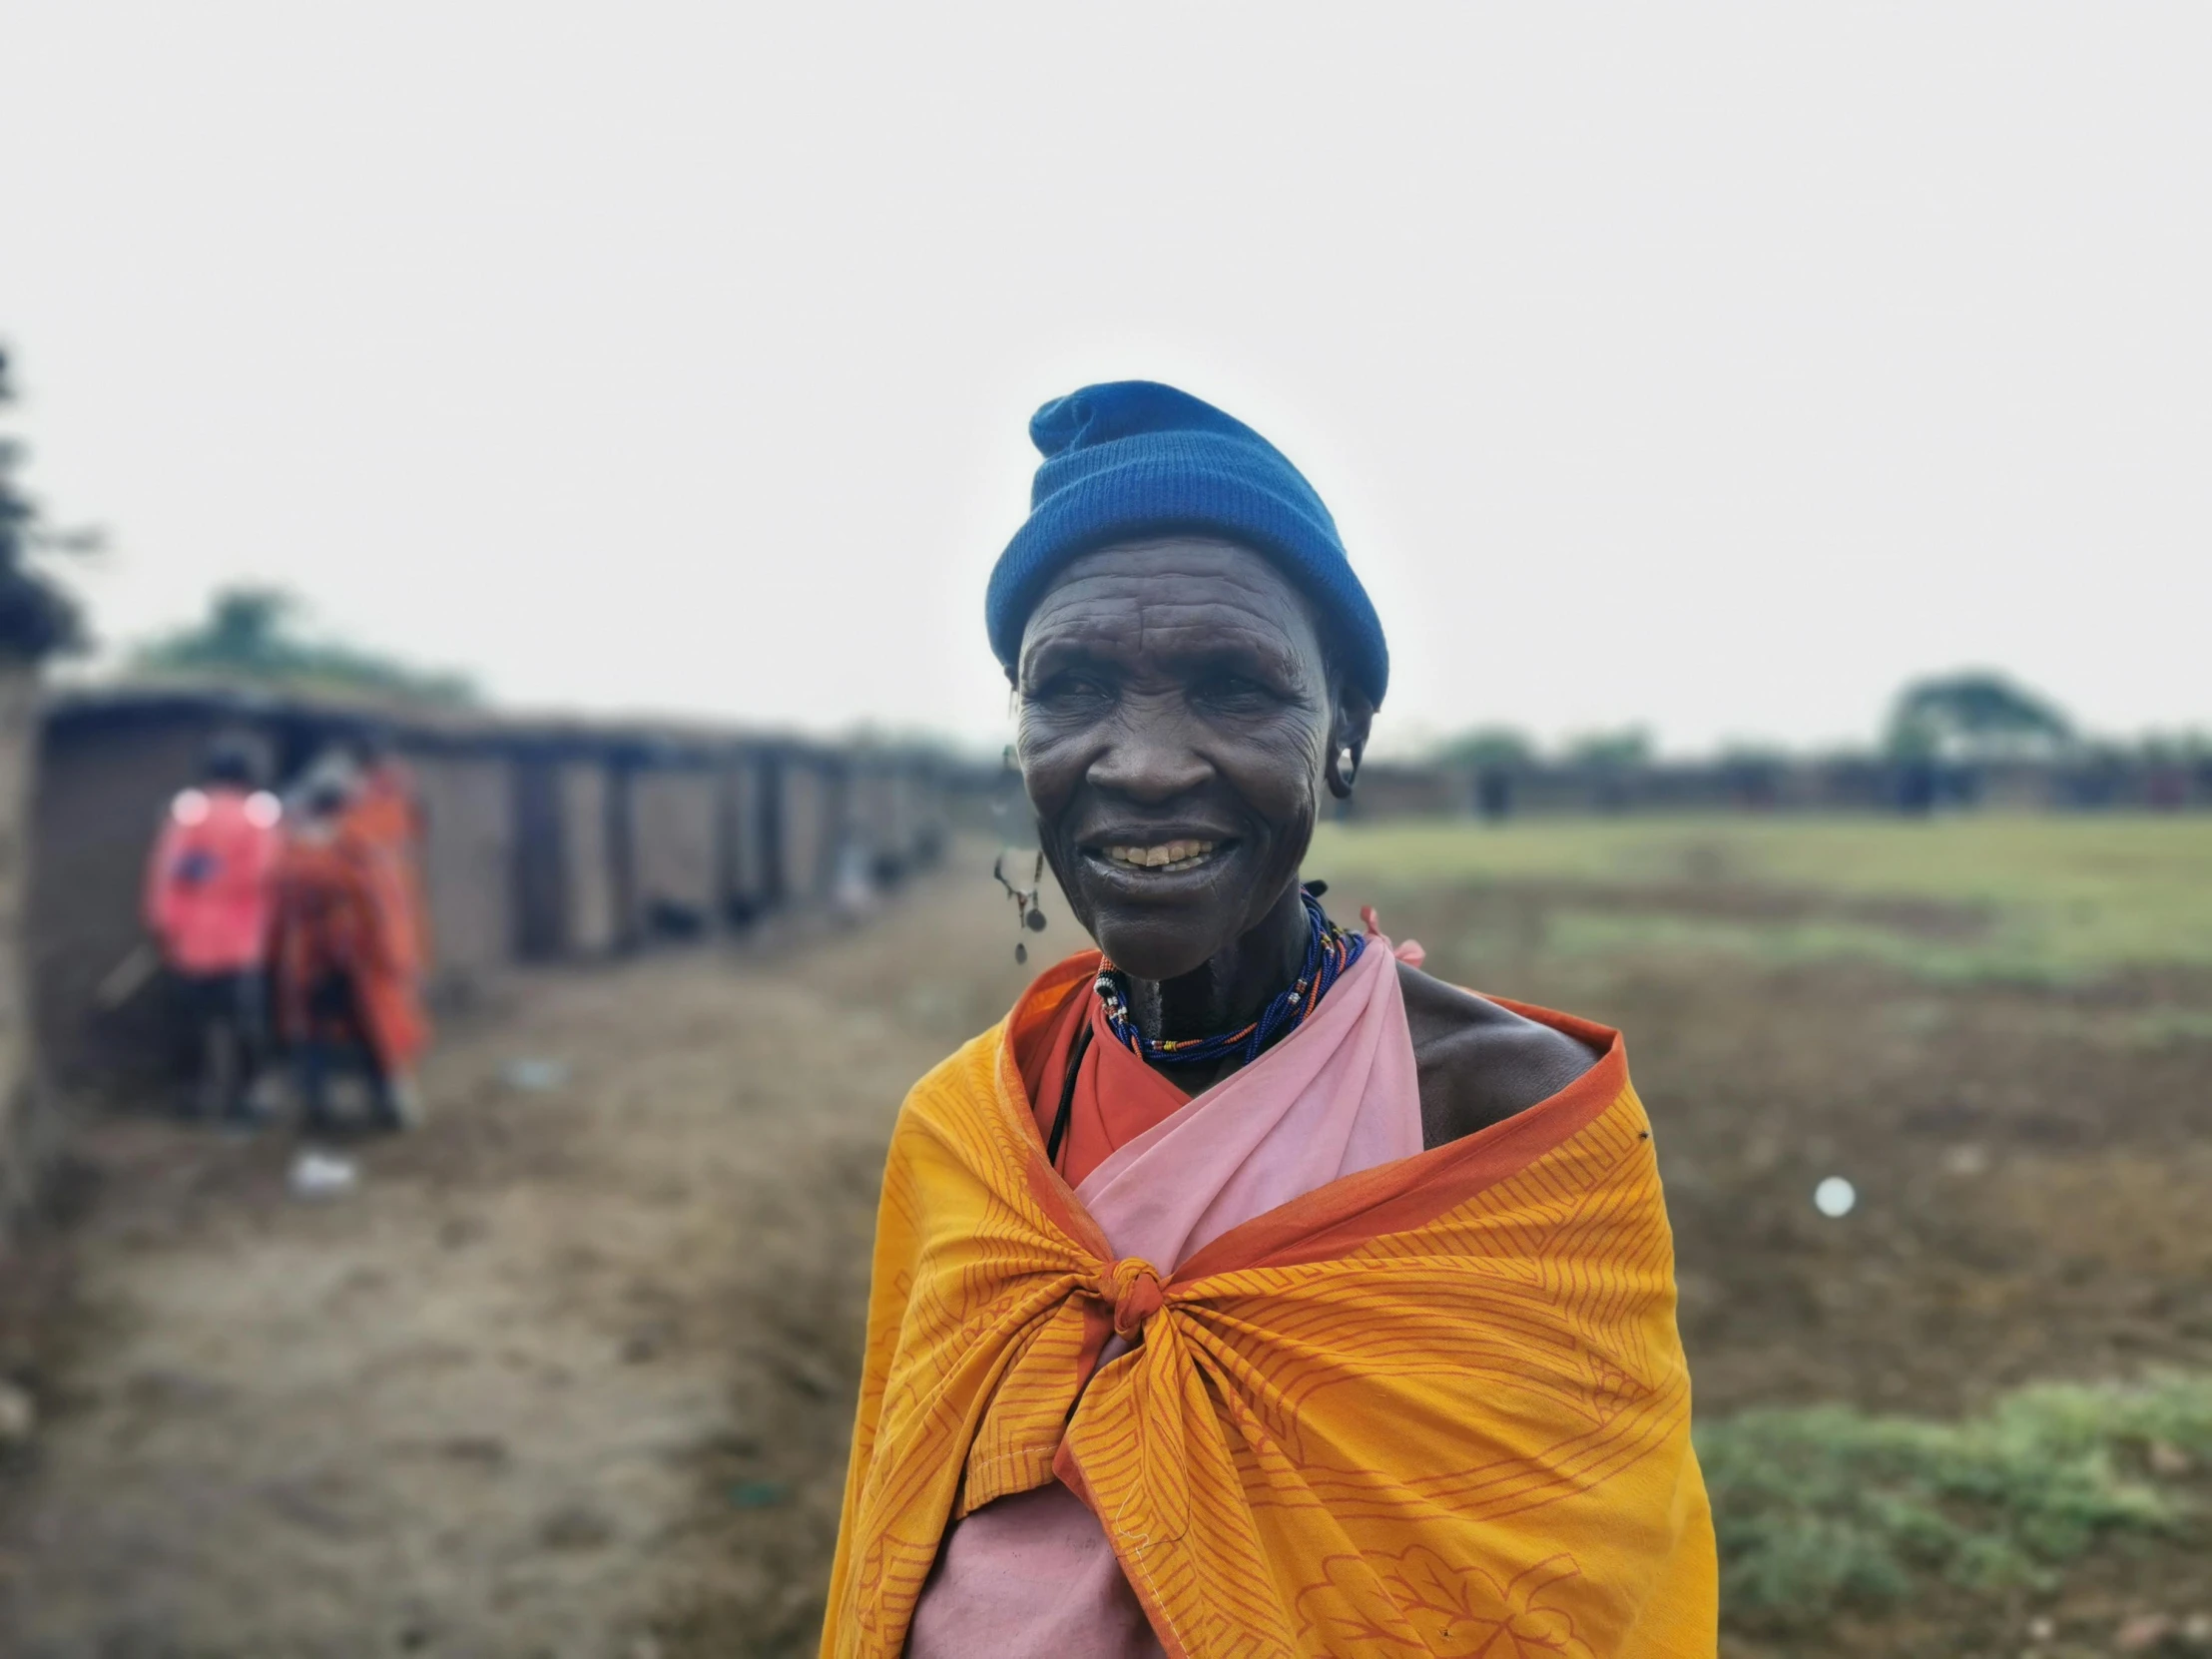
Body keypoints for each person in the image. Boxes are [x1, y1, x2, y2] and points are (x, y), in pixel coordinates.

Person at [823, 382, 1716, 1657]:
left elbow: (1566, 1599)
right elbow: (896, 1516)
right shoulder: (974, 1125)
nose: (1139, 762)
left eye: (1232, 690)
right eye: (1068, 688)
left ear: (1341, 732)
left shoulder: (1505, 1117)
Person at [269, 756, 429, 1131]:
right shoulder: (357, 847)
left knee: (319, 1036)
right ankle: (386, 1106)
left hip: (320, 958)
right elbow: (383, 907)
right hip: (356, 957)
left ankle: (321, 1106)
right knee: (373, 1036)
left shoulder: (294, 848)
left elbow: (282, 909)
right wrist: (399, 959)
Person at [141, 740, 283, 1121]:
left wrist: (164, 926)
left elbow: (166, 876)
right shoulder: (258, 818)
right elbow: (264, 874)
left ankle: (192, 1097)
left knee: (190, 1024)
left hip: (188, 943)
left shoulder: (187, 816)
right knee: (244, 1025)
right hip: (240, 943)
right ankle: (248, 1098)